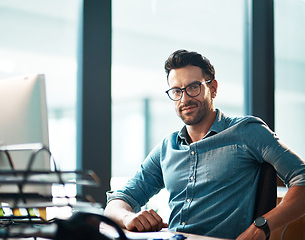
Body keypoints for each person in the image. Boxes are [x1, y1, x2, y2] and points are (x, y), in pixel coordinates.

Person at [104, 49, 305, 240]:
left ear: (213, 88)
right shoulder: (167, 148)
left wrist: (261, 226)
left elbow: (302, 178)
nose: (185, 99)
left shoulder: (247, 131)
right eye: (176, 91)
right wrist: (129, 218)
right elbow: (118, 201)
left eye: (193, 87)